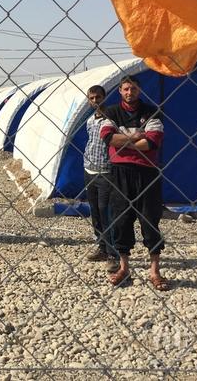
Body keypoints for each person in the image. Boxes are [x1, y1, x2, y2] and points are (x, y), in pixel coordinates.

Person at [100, 76, 170, 290]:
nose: (130, 92)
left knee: (150, 219)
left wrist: (124, 138)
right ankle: (124, 267)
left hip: (147, 172)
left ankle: (155, 270)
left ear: (139, 90)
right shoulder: (111, 112)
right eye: (126, 89)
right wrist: (136, 136)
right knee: (121, 219)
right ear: (120, 91)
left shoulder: (152, 112)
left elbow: (151, 142)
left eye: (133, 88)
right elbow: (108, 138)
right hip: (120, 172)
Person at [82, 85, 118, 272]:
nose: (95, 101)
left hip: (106, 171)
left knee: (106, 213)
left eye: (98, 97)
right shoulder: (90, 120)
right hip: (90, 170)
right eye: (92, 98)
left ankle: (113, 254)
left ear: (105, 97)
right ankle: (102, 247)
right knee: (95, 212)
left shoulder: (112, 118)